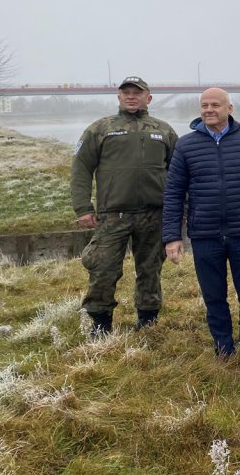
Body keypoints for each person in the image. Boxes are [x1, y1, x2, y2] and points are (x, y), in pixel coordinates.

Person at [162, 88, 240, 375]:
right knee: (214, 296)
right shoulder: (186, 146)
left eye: (215, 105)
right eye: (204, 105)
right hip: (205, 235)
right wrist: (172, 236)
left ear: (229, 108)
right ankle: (223, 349)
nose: (208, 110)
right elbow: (174, 193)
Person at [70, 76, 178, 336]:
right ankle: (99, 323)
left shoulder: (164, 130)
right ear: (119, 97)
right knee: (103, 269)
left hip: (154, 214)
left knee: (150, 270)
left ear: (148, 98)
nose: (131, 96)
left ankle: (148, 322)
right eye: (126, 92)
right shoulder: (100, 128)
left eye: (137, 93)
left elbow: (179, 172)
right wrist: (83, 208)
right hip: (112, 215)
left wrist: (180, 209)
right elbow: (81, 168)